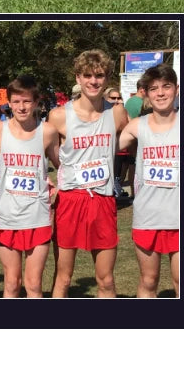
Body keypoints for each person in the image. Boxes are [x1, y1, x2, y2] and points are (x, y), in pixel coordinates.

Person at [49, 50, 129, 298]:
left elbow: (133, 141)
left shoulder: (116, 112)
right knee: (63, 278)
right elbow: (42, 150)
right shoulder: (59, 115)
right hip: (70, 200)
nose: (94, 81)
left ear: (106, 79)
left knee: (105, 280)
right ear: (78, 78)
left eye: (99, 75)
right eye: (88, 76)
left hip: (103, 200)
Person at [0, 74, 60, 298]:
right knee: (11, 283)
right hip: (7, 215)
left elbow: (64, 165)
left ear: (36, 102)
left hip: (37, 216)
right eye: (16, 101)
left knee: (34, 284)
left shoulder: (47, 132)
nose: (21, 106)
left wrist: (56, 185)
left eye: (27, 101)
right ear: (8, 102)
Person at [119, 64, 180, 297]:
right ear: (145, 93)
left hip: (176, 217)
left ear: (175, 89)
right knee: (148, 280)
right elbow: (104, 151)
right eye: (154, 89)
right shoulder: (136, 126)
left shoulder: (183, 124)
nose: (161, 93)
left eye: (166, 86)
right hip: (147, 217)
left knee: (178, 281)